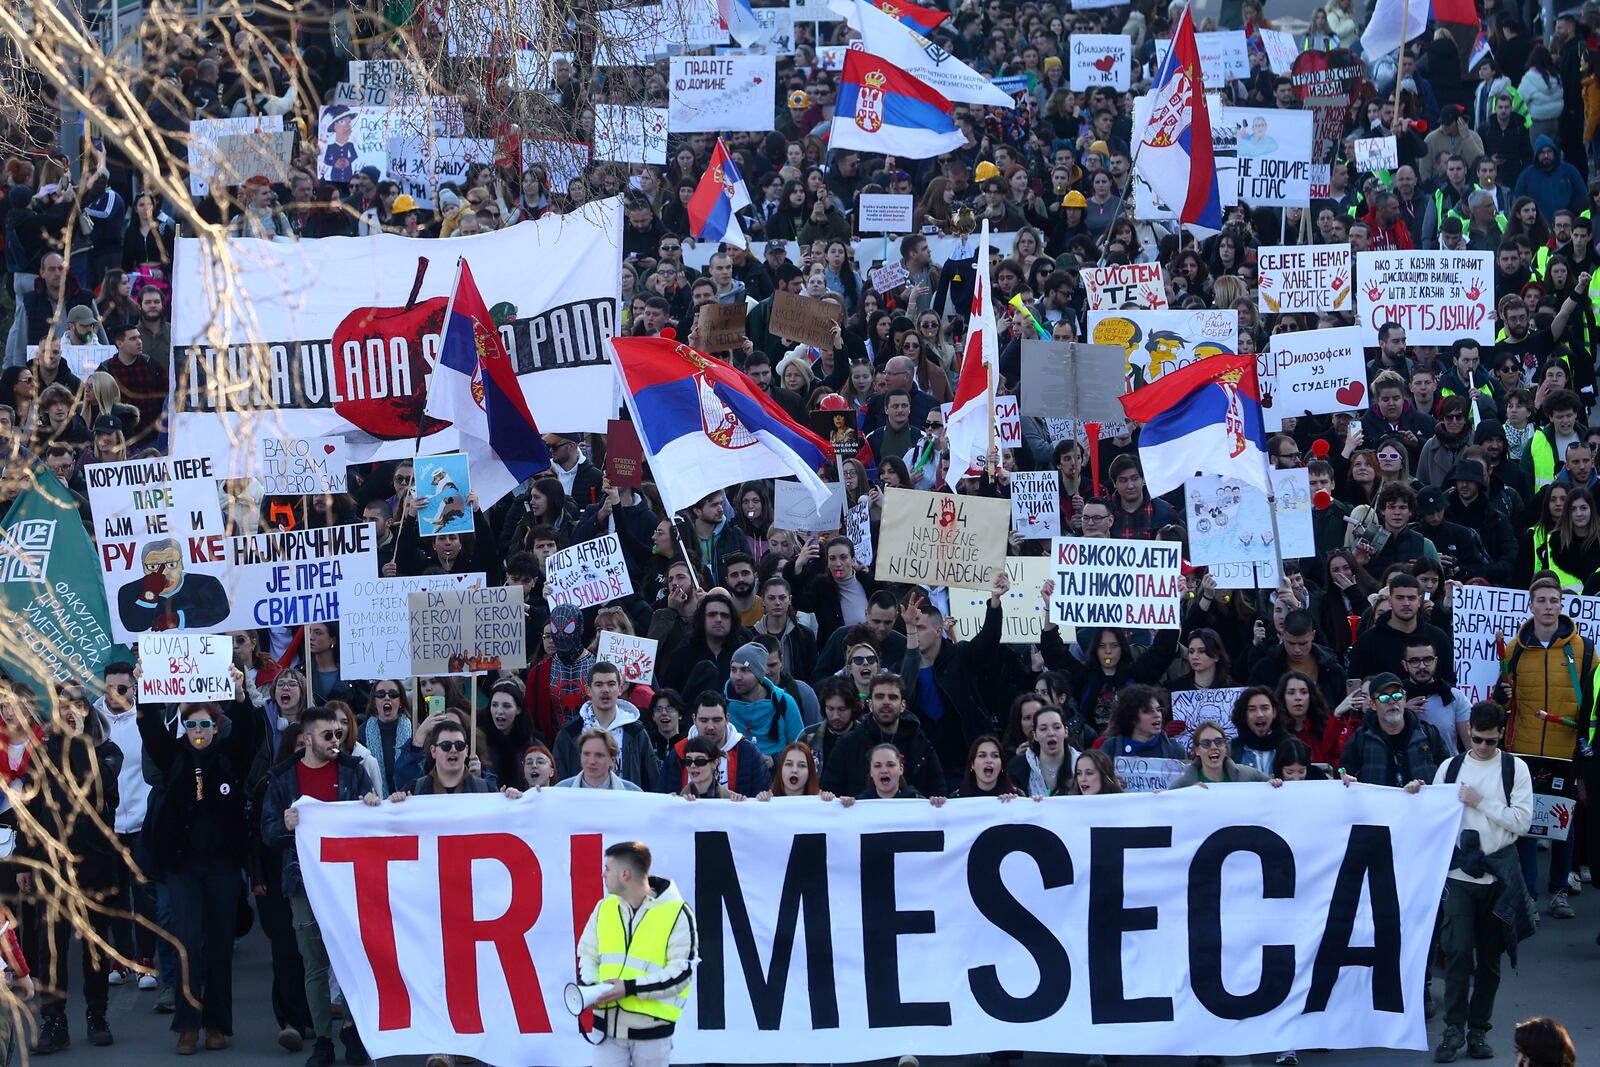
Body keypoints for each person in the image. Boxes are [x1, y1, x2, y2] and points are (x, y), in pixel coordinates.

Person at [136, 670, 265, 1055]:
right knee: (189, 943)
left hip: (223, 867)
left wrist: (240, 692)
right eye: (191, 723)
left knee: (221, 945)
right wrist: (147, 687)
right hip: (183, 868)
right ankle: (188, 1024)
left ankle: (217, 1024)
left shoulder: (231, 759)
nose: (197, 729)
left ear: (215, 726)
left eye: (205, 723)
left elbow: (248, 733)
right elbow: (151, 730)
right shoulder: (173, 757)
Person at [261, 707, 379, 1067]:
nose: (336, 741)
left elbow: (373, 825)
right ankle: (323, 1040)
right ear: (308, 739)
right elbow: (267, 832)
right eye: (328, 735)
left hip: (348, 882)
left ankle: (355, 1032)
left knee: (353, 959)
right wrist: (285, 824)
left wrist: (372, 805)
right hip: (304, 882)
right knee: (314, 963)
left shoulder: (352, 771)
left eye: (339, 734)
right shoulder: (282, 778)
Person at [1431, 701, 1534, 1063]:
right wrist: (1416, 793)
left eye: (1490, 741)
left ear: (1501, 735)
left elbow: (1521, 823)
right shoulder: (1451, 767)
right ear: (1468, 730)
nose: (1482, 747)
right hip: (1460, 875)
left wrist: (1481, 801)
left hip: (1499, 877)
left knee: (1489, 960)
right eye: (1476, 738)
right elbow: (1432, 816)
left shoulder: (1515, 768)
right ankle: (1453, 1029)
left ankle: (1478, 1031)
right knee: (1458, 952)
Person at [576, 841, 697, 1066]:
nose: (603, 874)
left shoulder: (678, 912)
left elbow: (680, 974)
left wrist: (629, 988)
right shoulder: (604, 907)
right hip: (606, 1033)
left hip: (652, 1034)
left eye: (607, 869)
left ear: (625, 874)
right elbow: (587, 955)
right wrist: (591, 988)